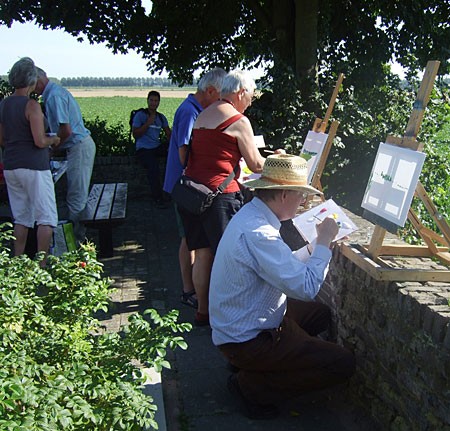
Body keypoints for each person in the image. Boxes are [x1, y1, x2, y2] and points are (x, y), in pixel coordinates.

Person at [209, 154, 356, 419]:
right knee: (342, 363)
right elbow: (307, 286)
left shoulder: (252, 215)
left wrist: (313, 248)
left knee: (319, 315)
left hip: (242, 322)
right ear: (286, 193)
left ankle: (264, 365)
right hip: (246, 339)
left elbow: (280, 266)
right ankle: (251, 386)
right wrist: (323, 242)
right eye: (301, 196)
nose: (303, 203)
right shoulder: (259, 233)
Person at [178, 69, 266, 326]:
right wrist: (280, 158)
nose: (250, 102)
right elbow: (256, 164)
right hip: (220, 197)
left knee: (202, 254)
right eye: (250, 96)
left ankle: (203, 312)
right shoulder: (239, 121)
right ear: (241, 93)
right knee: (230, 257)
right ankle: (231, 314)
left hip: (194, 194)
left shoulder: (203, 114)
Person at [163, 68, 226, 310]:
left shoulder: (193, 109)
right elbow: (183, 153)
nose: (220, 102)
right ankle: (188, 290)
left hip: (184, 184)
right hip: (186, 185)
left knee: (189, 237)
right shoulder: (191, 112)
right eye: (219, 96)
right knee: (188, 238)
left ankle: (190, 288)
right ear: (209, 91)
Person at [0, 57, 60, 264]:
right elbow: (39, 140)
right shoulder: (31, 105)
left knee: (21, 217)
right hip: (34, 167)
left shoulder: (4, 105)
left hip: (11, 166)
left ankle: (18, 262)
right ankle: (41, 266)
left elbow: (2, 139)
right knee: (46, 217)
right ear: (31, 81)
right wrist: (54, 139)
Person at [34, 67, 96, 244]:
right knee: (77, 195)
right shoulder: (54, 93)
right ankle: (78, 240)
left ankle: (77, 243)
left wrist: (52, 148)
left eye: (32, 84)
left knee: (76, 198)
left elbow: (65, 130)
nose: (32, 88)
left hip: (78, 146)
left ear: (38, 80)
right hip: (78, 146)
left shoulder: (53, 96)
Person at [132, 90, 171, 208]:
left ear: (159, 102)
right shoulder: (140, 115)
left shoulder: (161, 117)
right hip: (143, 149)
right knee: (153, 169)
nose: (153, 103)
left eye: (156, 101)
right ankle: (158, 198)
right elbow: (136, 134)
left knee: (175, 156)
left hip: (156, 147)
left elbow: (168, 134)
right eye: (151, 100)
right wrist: (147, 123)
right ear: (147, 101)